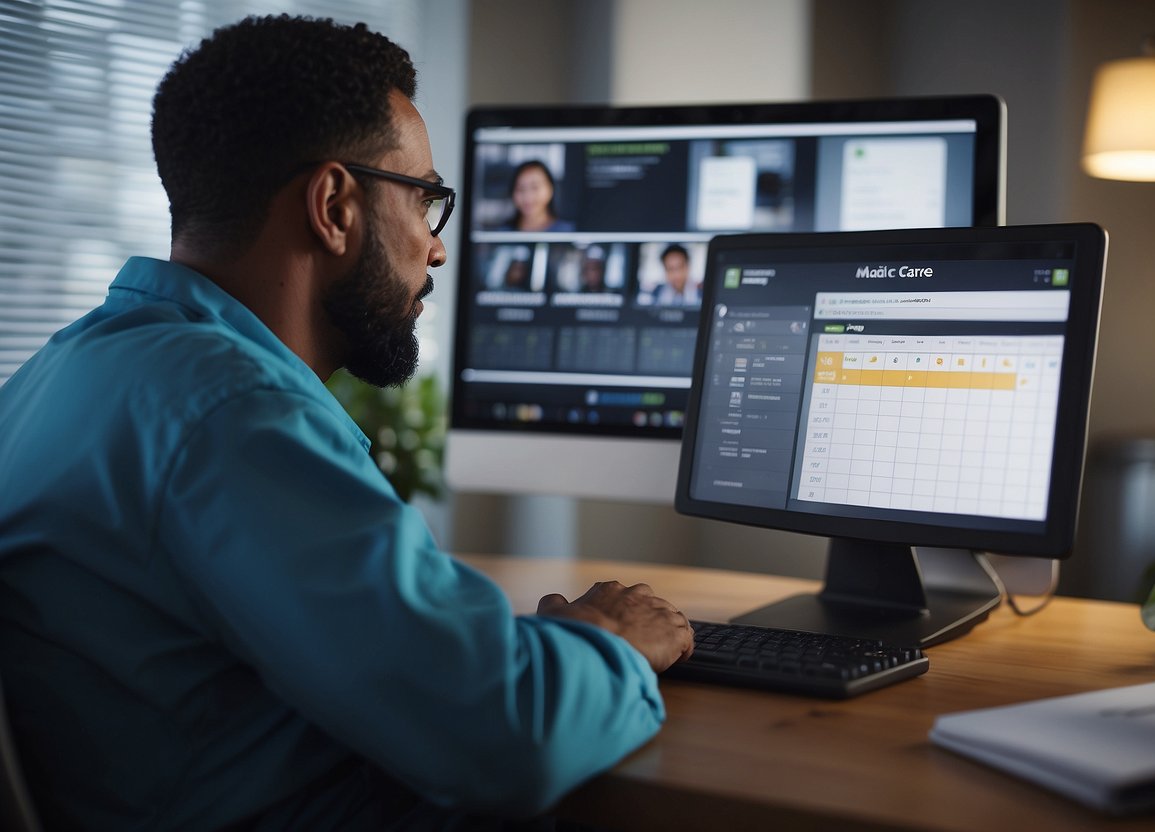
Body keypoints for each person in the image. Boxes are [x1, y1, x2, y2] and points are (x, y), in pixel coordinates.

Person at [0, 15, 692, 830]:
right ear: (334, 206)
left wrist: (519, 655)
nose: (436, 251)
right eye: (426, 199)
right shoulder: (233, 411)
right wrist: (612, 641)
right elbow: (506, 738)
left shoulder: (65, 370)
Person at [501, 159, 575, 232]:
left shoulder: (567, 233)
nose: (528, 197)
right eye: (520, 189)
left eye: (535, 187)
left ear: (550, 189)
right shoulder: (503, 234)